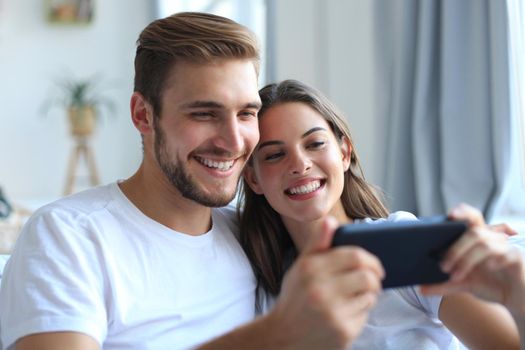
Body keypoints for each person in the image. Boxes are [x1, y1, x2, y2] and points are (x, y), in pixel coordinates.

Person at [0, 13, 385, 350]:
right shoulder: (69, 237)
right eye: (205, 114)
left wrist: (439, 253)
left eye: (247, 113)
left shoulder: (251, 235)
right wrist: (274, 335)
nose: (234, 142)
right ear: (143, 115)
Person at [240, 79, 525, 349]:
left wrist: (517, 291)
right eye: (275, 155)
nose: (300, 164)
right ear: (253, 179)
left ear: (344, 153)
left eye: (315, 144)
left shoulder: (407, 245)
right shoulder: (266, 291)